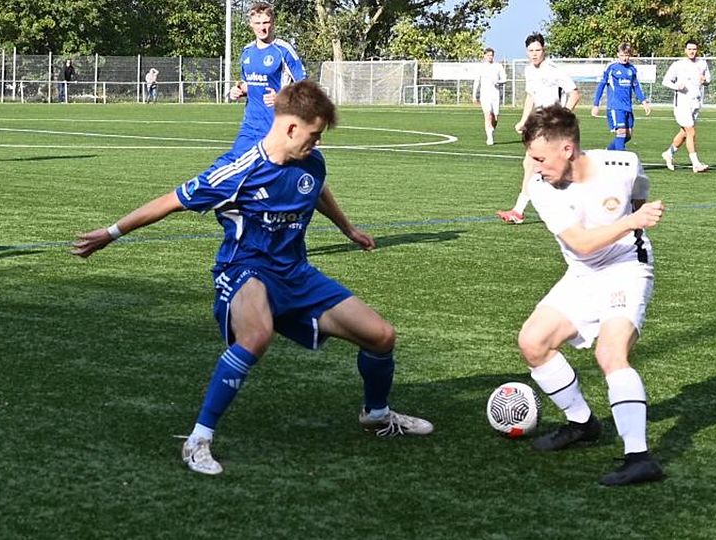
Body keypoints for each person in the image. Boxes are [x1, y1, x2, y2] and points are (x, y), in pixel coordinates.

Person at [71, 80, 433, 476]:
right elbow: (170, 201)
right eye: (313, 135)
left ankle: (376, 414)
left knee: (381, 336)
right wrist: (111, 233)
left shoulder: (311, 162)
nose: (316, 144)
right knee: (256, 336)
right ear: (291, 127)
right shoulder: (237, 171)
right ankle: (199, 440)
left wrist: (348, 229)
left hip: (296, 274)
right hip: (244, 271)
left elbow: (318, 191)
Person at [515, 104, 665, 486]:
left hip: (627, 269)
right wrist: (633, 220)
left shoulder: (622, 163)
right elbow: (581, 245)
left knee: (610, 353)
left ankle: (639, 457)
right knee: (533, 342)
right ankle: (582, 423)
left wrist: (635, 216)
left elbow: (640, 188)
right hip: (583, 272)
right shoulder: (540, 188)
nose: (534, 166)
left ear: (567, 149)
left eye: (540, 158)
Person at [497, 32, 580, 225]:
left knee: (533, 165)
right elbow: (531, 97)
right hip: (538, 123)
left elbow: (574, 94)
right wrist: (524, 120)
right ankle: (576, 205)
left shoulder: (553, 70)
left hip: (552, 125)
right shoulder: (529, 71)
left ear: (544, 50)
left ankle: (518, 211)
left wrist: (562, 116)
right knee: (538, 166)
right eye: (531, 50)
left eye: (538, 50)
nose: (534, 54)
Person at [227, 1, 307, 158]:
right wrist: (239, 90)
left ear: (273, 23)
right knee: (237, 169)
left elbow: (305, 87)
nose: (262, 27)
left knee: (280, 176)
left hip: (277, 126)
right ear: (251, 24)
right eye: (257, 23)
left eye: (266, 22)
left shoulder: (283, 50)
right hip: (250, 125)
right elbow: (249, 84)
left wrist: (281, 98)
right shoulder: (247, 51)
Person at [660, 39, 711, 173]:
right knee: (691, 132)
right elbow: (665, 81)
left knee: (684, 133)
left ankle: (669, 153)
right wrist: (677, 86)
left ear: (697, 50)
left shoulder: (702, 64)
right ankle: (696, 164)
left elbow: (708, 80)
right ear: (685, 50)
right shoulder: (678, 65)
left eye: (694, 49)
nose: (692, 51)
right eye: (689, 49)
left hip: (695, 102)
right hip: (682, 103)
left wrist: (705, 81)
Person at [591, 43, 652, 151]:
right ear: (618, 54)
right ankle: (621, 160)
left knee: (628, 135)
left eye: (627, 55)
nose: (625, 58)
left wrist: (644, 101)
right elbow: (601, 85)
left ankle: (608, 151)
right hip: (615, 106)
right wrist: (596, 104)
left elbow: (636, 86)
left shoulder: (632, 69)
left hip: (627, 107)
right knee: (621, 132)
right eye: (622, 55)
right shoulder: (612, 68)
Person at [472, 47, 507, 146]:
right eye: (488, 55)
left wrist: (499, 82)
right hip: (485, 95)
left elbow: (504, 79)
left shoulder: (498, 66)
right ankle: (489, 138)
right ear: (484, 56)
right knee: (487, 115)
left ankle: (491, 130)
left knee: (495, 118)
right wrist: (474, 95)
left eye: (491, 55)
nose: (490, 57)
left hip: (495, 94)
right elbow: (477, 81)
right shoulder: (481, 67)